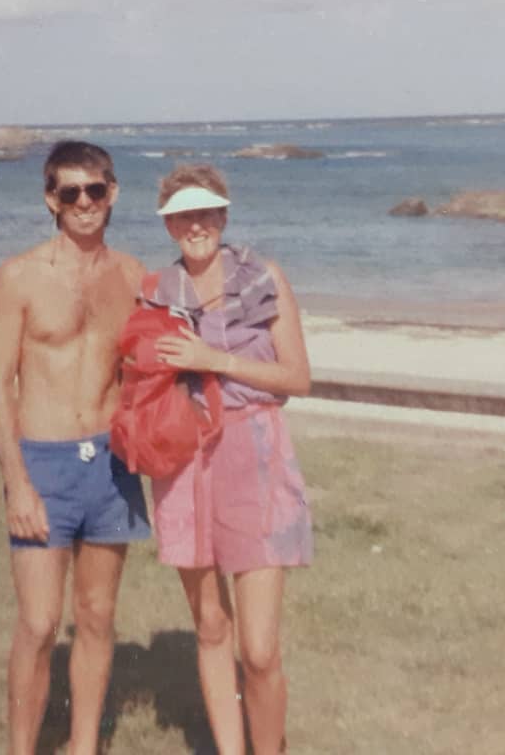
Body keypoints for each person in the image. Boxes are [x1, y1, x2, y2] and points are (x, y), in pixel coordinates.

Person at [0, 140, 150, 755]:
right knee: (38, 621)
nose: (84, 203)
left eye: (96, 190)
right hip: (44, 461)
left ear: (113, 193)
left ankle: (84, 747)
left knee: (99, 617)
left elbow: (147, 371)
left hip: (110, 462)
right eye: (70, 192)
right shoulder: (19, 276)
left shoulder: (132, 276)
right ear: (50, 199)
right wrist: (18, 482)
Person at [144, 164, 312, 755]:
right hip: (184, 460)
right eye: (182, 215)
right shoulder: (154, 291)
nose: (195, 224)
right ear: (168, 224)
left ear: (223, 215)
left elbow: (296, 378)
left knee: (260, 648)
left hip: (256, 452)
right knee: (212, 627)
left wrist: (215, 359)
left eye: (205, 211)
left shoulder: (265, 277)